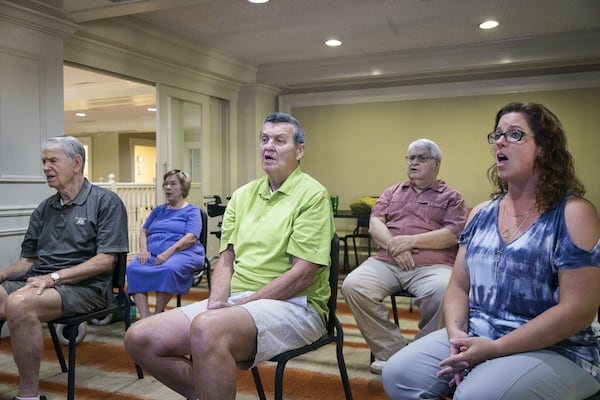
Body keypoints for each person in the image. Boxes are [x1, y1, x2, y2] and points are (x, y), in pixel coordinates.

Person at [382, 102, 600, 400]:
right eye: (497, 134)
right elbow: (459, 285)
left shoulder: (573, 213)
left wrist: (495, 349)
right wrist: (457, 335)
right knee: (399, 374)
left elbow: (579, 311)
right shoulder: (481, 213)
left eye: (514, 134)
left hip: (558, 348)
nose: (499, 141)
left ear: (544, 149)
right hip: (479, 333)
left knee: (475, 395)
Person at [124, 112, 334, 400]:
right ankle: (211, 392)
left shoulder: (312, 196)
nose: (268, 146)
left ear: (299, 151)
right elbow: (226, 260)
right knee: (139, 338)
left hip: (296, 306)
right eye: (264, 139)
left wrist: (241, 305)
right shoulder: (243, 195)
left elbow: (303, 275)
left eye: (279, 140)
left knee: (209, 329)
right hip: (239, 301)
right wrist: (216, 302)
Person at [0, 136, 128, 400]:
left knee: (20, 304)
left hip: (87, 288)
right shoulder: (44, 208)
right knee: (14, 300)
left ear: (77, 163)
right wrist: (2, 275)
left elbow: (105, 260)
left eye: (53, 160)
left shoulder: (106, 202)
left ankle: (28, 396)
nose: (46, 167)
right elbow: (28, 261)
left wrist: (54, 278)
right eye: (43, 161)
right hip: (41, 282)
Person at [342, 138, 467, 374]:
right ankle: (393, 353)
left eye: (422, 158)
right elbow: (375, 222)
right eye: (411, 158)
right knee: (353, 286)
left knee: (443, 291)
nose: (414, 163)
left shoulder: (451, 197)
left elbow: (453, 234)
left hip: (432, 265)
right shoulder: (392, 192)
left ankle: (422, 355)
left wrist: (411, 242)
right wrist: (394, 247)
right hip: (387, 262)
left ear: (437, 164)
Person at [126, 169, 205, 319]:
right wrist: (143, 249)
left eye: (173, 184)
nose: (168, 187)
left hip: (183, 252)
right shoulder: (158, 210)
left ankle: (157, 315)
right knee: (133, 268)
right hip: (154, 253)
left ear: (183, 188)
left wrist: (167, 253)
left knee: (168, 268)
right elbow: (144, 231)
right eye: (166, 184)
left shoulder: (192, 211)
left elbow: (191, 238)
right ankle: (144, 317)